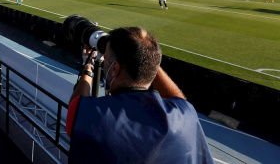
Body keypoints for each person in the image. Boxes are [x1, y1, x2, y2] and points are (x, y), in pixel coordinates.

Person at [66, 27, 214, 163]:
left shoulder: (93, 117)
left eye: (106, 59)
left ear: (115, 68)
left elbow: (76, 104)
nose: (104, 63)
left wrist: (88, 67)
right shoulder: (185, 115)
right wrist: (146, 59)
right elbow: (179, 100)